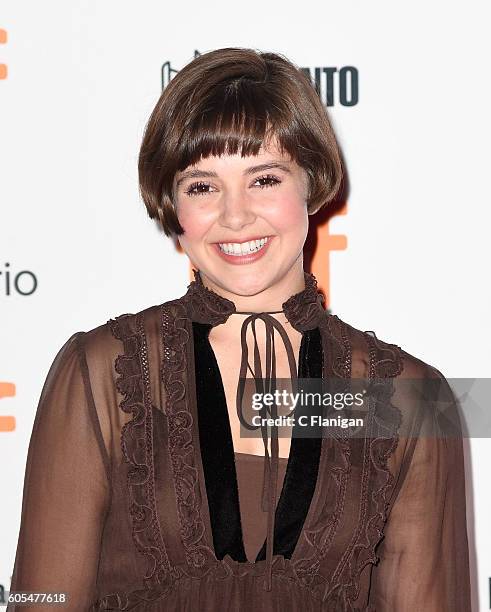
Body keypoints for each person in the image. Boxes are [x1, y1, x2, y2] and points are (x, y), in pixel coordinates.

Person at [7, 47, 471, 611]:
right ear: (173, 205)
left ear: (312, 184)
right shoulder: (103, 372)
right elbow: (42, 600)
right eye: (203, 186)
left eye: (264, 179)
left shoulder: (408, 398)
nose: (235, 216)